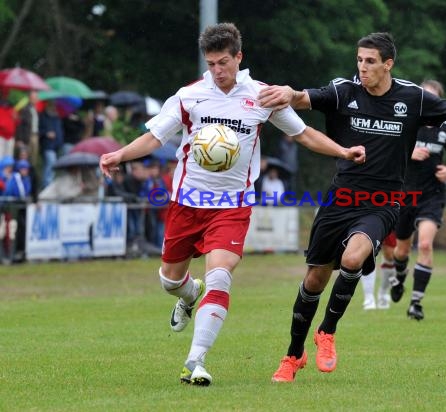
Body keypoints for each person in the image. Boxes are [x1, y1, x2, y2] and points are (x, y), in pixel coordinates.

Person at [99, 22, 365, 387]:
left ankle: (195, 360)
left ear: (239, 57)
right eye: (211, 64)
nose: (217, 71)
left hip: (232, 205)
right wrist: (120, 155)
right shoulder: (188, 96)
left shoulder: (260, 95)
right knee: (169, 281)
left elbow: (302, 134)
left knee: (221, 276)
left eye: (223, 62)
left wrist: (343, 151)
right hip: (186, 202)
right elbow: (154, 137)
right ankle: (188, 295)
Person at [258, 31, 446, 382]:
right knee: (314, 279)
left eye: (370, 61)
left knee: (353, 259)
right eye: (359, 60)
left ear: (387, 64)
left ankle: (327, 332)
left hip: (383, 202)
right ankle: (293, 355)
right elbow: (304, 98)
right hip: (341, 198)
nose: (362, 68)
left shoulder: (412, 97)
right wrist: (289, 93)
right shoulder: (344, 91)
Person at [387, 79, 446, 320]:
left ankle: (416, 303)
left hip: (432, 194)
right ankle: (399, 278)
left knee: (426, 244)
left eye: (432, 98)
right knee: (401, 250)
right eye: (424, 97)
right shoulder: (405, 123)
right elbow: (386, 149)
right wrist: (409, 152)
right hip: (405, 193)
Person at [361, 230, 396, 310]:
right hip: (367, 219)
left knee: (391, 255)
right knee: (368, 251)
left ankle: (383, 293)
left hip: (387, 218)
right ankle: (369, 298)